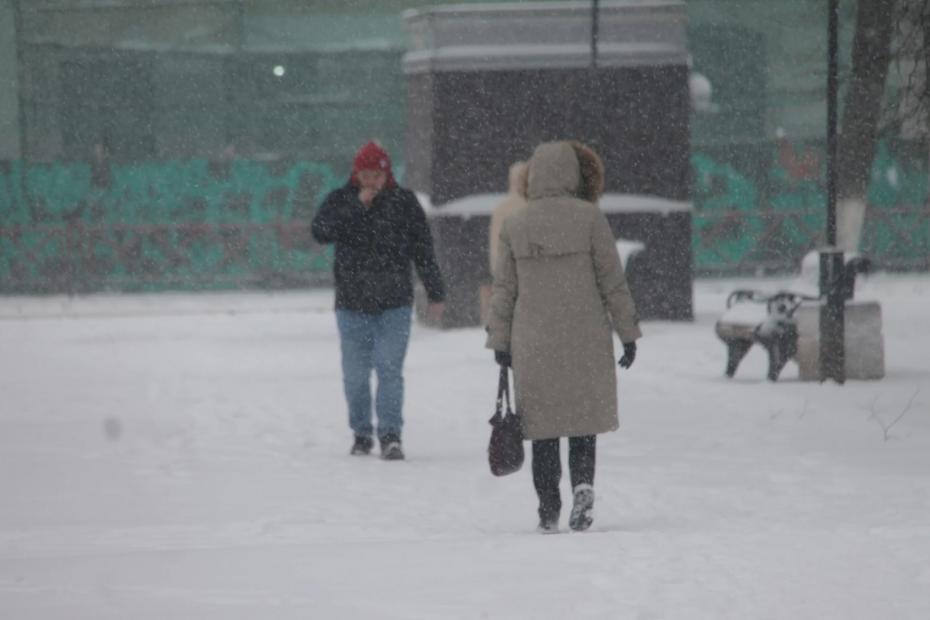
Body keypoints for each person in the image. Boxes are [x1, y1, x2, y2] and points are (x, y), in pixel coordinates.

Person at [485, 141, 641, 533]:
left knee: (543, 429)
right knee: (582, 421)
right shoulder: (590, 219)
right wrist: (627, 333)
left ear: (532, 176)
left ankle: (548, 506)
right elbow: (612, 281)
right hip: (585, 335)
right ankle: (583, 486)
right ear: (576, 174)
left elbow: (505, 290)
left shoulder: (516, 225)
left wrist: (500, 342)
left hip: (533, 341)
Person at [312, 140, 446, 460]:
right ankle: (361, 433)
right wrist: (358, 206)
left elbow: (423, 250)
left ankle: (390, 434)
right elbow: (320, 231)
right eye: (365, 174)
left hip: (395, 304)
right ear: (356, 174)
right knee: (356, 376)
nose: (371, 181)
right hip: (351, 304)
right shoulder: (340, 200)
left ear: (387, 174)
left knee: (389, 369)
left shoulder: (404, 203)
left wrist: (435, 292)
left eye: (376, 175)